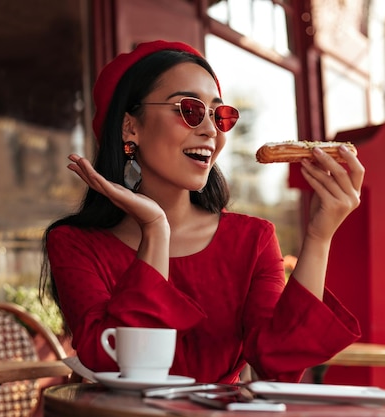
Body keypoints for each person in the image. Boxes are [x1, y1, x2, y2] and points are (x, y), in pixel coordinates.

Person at [40, 40, 365, 384]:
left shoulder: (252, 239)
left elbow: (278, 367)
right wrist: (155, 229)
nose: (211, 130)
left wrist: (318, 236)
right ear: (130, 127)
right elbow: (112, 363)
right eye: (189, 110)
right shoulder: (75, 243)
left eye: (219, 115)